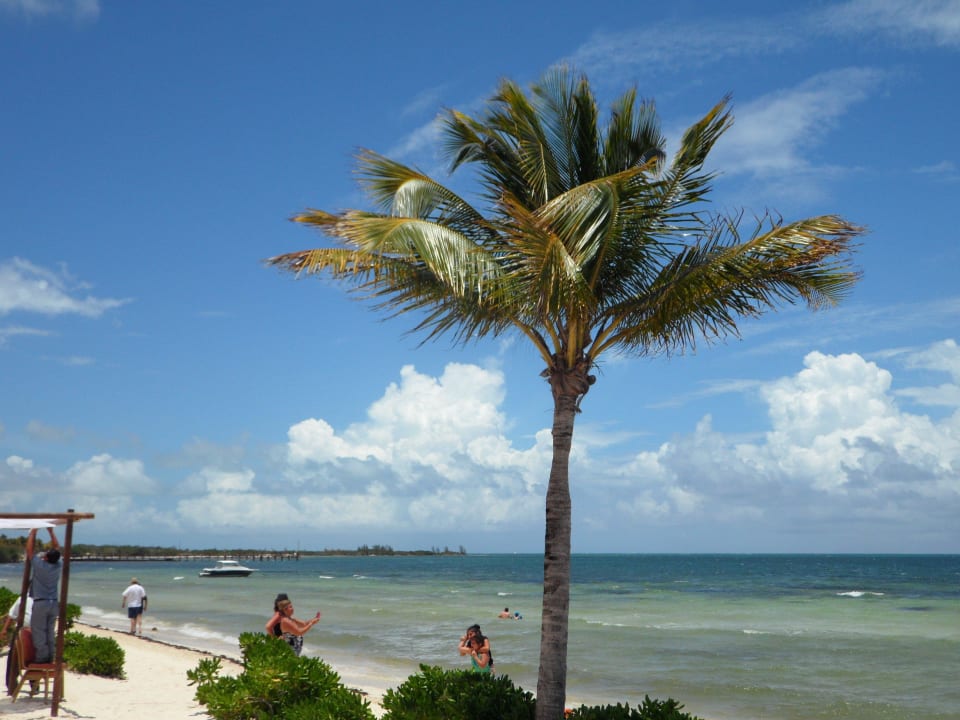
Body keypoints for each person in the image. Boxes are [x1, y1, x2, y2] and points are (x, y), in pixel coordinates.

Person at [26, 527, 61, 663]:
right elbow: (57, 548)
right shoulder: (58, 565)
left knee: (39, 631)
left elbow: (29, 551)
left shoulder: (40, 565)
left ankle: (41, 658)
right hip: (53, 602)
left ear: (46, 558)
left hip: (41, 602)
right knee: (50, 631)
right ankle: (51, 656)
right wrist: (51, 532)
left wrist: (33, 533)